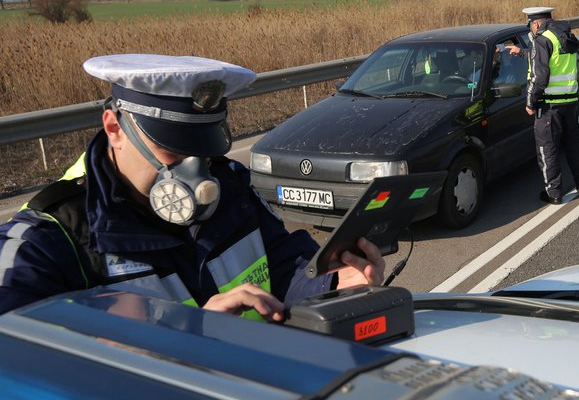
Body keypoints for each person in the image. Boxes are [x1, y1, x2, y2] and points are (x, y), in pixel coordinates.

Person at [0, 54, 385, 319]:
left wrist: (333, 280)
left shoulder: (232, 189)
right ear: (114, 128)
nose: (198, 175)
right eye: (172, 148)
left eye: (203, 149)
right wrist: (188, 337)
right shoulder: (46, 243)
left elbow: (285, 266)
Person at [521, 7, 579, 204]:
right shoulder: (563, 34)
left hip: (549, 106)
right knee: (573, 146)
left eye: (530, 26)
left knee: (548, 151)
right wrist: (523, 53)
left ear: (535, 24)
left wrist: (530, 102)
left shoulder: (541, 39)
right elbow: (554, 60)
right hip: (569, 101)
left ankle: (554, 193)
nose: (531, 30)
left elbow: (540, 76)